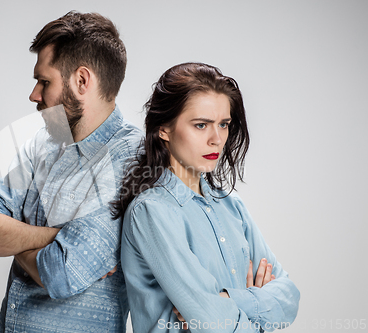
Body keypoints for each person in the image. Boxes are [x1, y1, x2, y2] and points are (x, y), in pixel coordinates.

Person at [0, 11, 142, 333]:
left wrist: (15, 237)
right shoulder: (42, 144)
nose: (34, 94)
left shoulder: (133, 160)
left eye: (44, 81)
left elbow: (61, 271)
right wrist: (60, 236)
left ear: (82, 81)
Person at [112, 63, 300, 332]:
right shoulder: (151, 212)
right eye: (201, 125)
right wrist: (257, 306)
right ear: (164, 128)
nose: (216, 139)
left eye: (223, 124)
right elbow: (213, 323)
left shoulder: (233, 208)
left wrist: (229, 300)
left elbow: (290, 298)